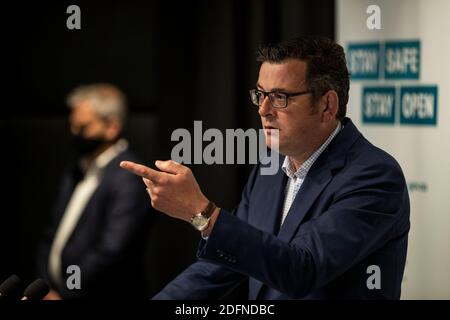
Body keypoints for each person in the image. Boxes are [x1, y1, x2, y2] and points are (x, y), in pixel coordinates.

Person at [121, 36, 410, 299]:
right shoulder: (269, 167)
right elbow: (224, 264)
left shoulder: (374, 176)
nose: (263, 110)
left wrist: (202, 213)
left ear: (327, 106)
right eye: (261, 94)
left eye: (280, 97)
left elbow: (301, 270)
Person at [36, 83, 150, 299]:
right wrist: (47, 287)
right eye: (72, 126)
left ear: (112, 127)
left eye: (83, 128)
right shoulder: (76, 170)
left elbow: (111, 251)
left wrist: (66, 291)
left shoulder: (128, 176)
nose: (74, 133)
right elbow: (51, 235)